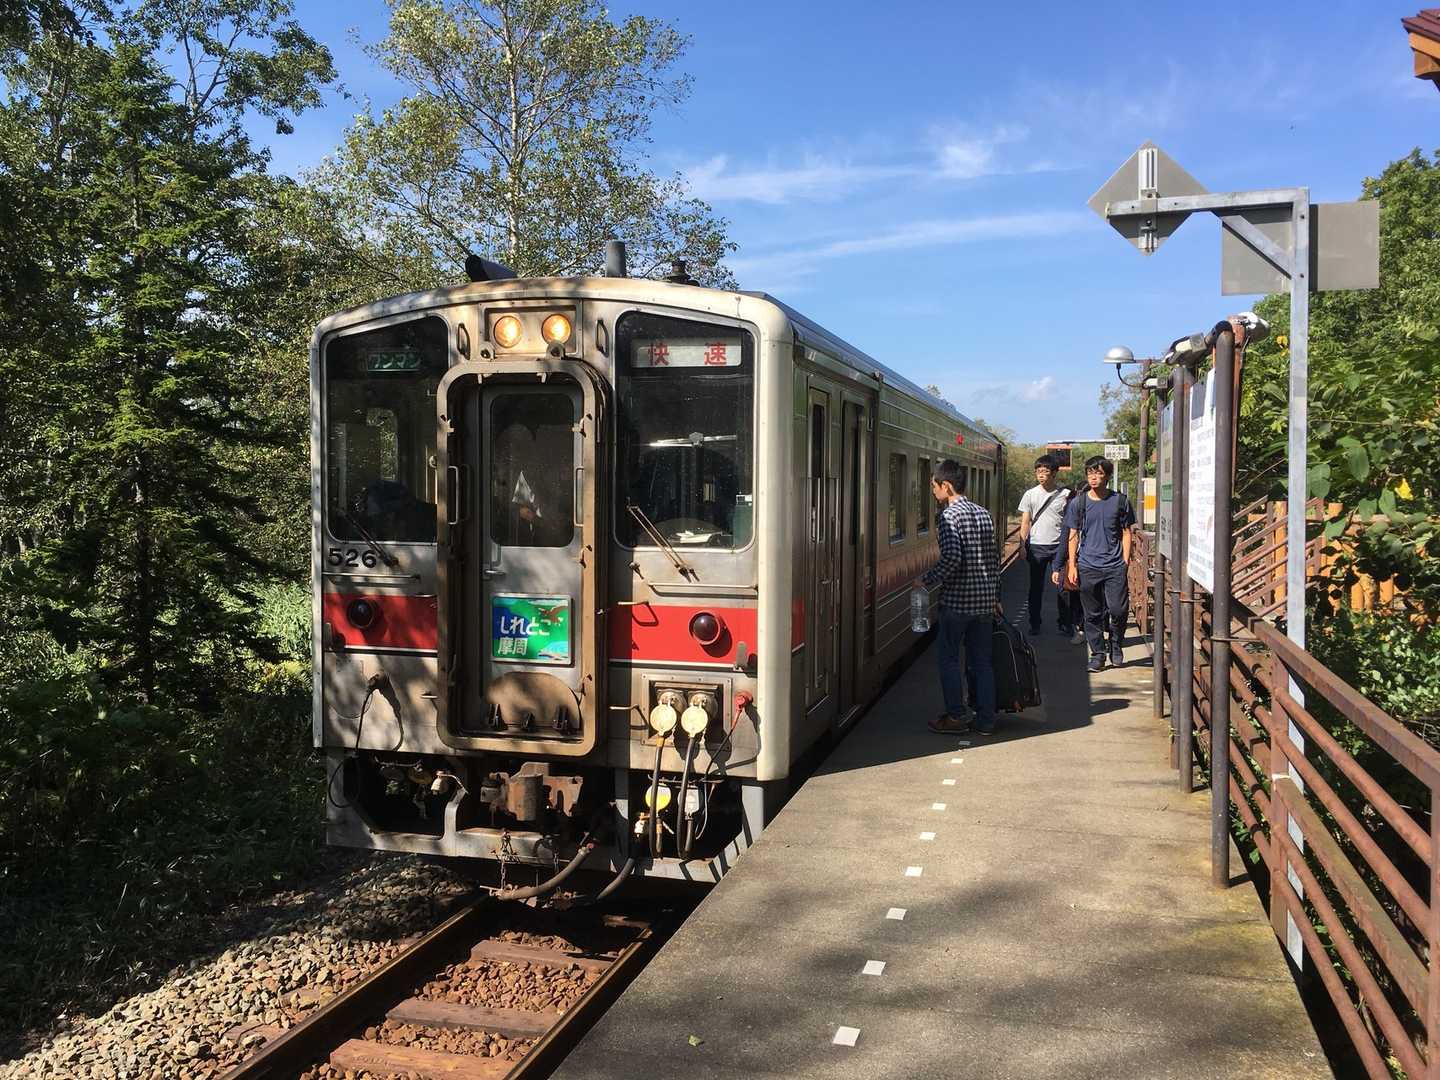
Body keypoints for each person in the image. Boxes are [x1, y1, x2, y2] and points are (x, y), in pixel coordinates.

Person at [918, 460, 1001, 735]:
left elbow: (952, 557)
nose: (933, 491)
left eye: (934, 486)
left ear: (947, 486)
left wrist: (926, 579)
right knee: (982, 663)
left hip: (957, 602)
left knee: (949, 659)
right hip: (984, 602)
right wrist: (995, 595)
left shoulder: (948, 517)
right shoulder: (983, 513)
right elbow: (993, 559)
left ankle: (956, 717)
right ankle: (986, 720)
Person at [1064, 456, 1135, 672]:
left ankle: (1116, 643)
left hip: (1115, 565)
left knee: (1118, 609)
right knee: (1092, 613)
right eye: (1090, 473)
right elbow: (1073, 535)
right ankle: (1097, 654)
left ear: (1107, 476)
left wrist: (1125, 560)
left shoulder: (1120, 501)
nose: (1093, 477)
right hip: (1088, 565)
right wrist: (1073, 565)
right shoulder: (1079, 503)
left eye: (1098, 473)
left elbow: (1127, 532)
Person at [1016, 454, 1070, 636]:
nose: (1041, 475)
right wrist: (1022, 545)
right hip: (1037, 546)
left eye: (1045, 471)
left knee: (1062, 587)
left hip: (1058, 547)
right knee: (1036, 587)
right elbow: (1025, 522)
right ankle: (1035, 623)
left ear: (1054, 473)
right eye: (1038, 471)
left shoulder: (1065, 495)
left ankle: (1064, 622)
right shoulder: (1030, 494)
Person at [1049, 486, 1087, 645]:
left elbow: (1065, 541)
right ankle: (1086, 629)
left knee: (1073, 596)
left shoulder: (1072, 509)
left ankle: (1077, 627)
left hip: (1078, 562)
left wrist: (1056, 567)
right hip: (1094, 562)